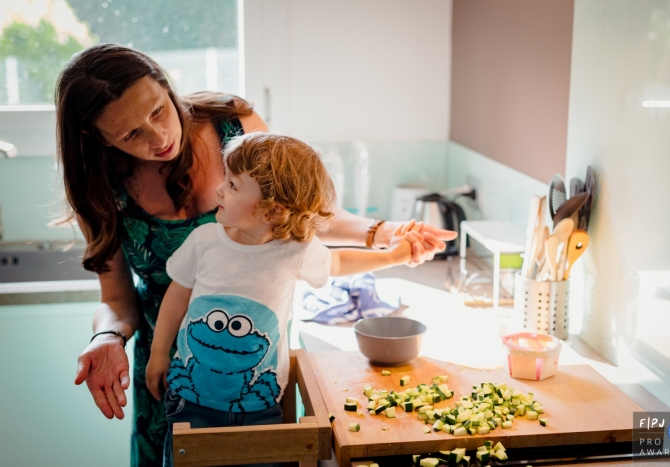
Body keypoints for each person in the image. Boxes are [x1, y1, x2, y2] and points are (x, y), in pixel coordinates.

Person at [56, 43, 456, 467]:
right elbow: (117, 301)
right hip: (171, 378)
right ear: (96, 137)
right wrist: (107, 337)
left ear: (166, 86)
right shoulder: (98, 187)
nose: (159, 138)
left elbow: (302, 214)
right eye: (131, 134)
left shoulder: (234, 125)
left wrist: (385, 236)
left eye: (158, 111)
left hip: (257, 373)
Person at [146, 132, 419, 466]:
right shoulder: (204, 242)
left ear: (271, 211)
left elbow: (339, 261)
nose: (219, 190)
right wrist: (159, 353)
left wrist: (394, 256)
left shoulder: (294, 251)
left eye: (232, 186)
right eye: (226, 179)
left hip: (260, 405)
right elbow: (177, 296)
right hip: (189, 401)